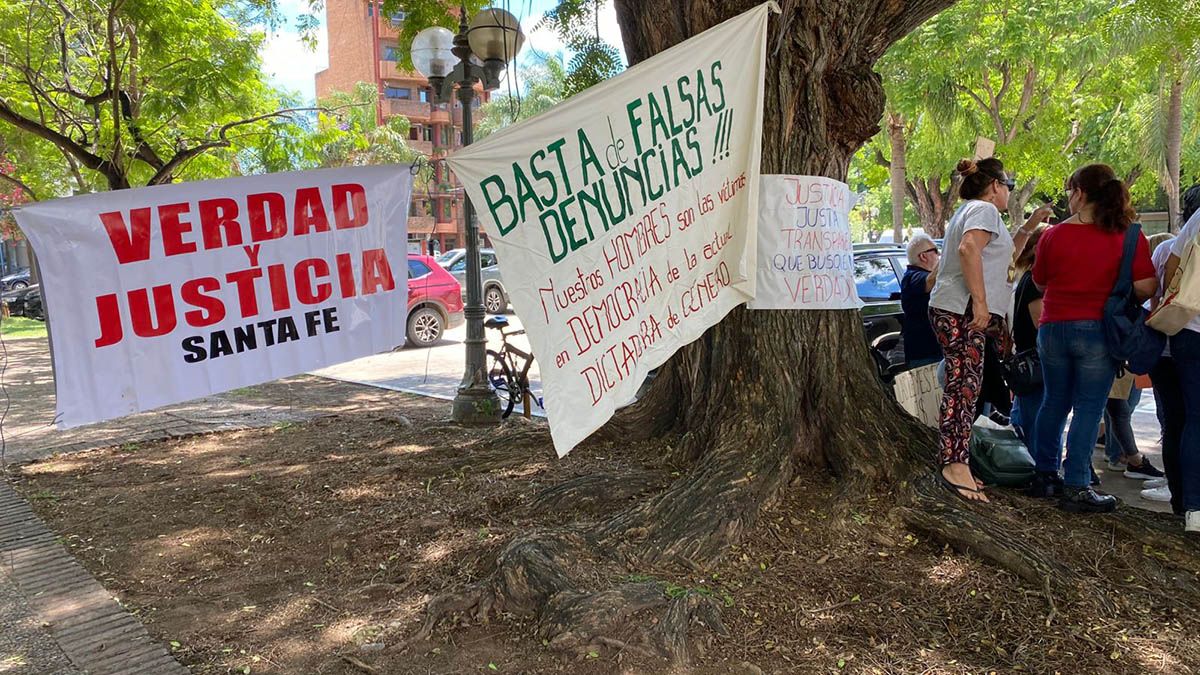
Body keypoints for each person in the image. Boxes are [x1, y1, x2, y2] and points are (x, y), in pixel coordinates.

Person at [1029, 164, 1158, 513]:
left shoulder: (1053, 235)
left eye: (1070, 191)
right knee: (1089, 407)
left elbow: (1040, 283)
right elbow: (1147, 286)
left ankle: (1044, 475)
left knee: (1053, 402)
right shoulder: (1129, 235)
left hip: (1053, 327)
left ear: (1080, 193)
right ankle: (1076, 485)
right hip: (1099, 330)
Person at [929, 157, 1052, 502]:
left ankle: (956, 461)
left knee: (966, 386)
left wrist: (1028, 226)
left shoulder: (973, 212)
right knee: (963, 388)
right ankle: (954, 465)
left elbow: (1002, 257)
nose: (1009, 194)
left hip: (956, 308)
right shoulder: (984, 212)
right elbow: (970, 249)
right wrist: (980, 303)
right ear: (996, 186)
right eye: (1008, 186)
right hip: (962, 310)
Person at [1157, 187, 1200, 530]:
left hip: (1188, 329)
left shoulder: (1197, 219)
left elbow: (1172, 262)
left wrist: (1174, 298)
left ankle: (1191, 508)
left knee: (1187, 421)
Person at [1143, 233, 1179, 505]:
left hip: (1166, 345)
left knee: (1172, 419)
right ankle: (1178, 482)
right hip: (1179, 345)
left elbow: (1152, 296)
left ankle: (1177, 484)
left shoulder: (1168, 249)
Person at [1010, 224, 1048, 455]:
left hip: (1028, 358)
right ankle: (1036, 466)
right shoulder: (1034, 279)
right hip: (1034, 360)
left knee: (1026, 416)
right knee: (1035, 420)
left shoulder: (1028, 277)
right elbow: (1040, 321)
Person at [901, 234, 942, 367]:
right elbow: (929, 281)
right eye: (935, 251)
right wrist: (949, 258)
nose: (939, 254)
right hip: (924, 353)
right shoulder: (913, 277)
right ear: (923, 256)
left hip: (935, 349)